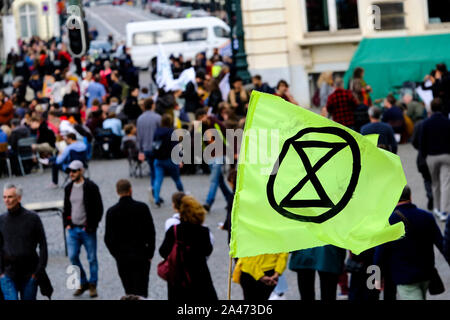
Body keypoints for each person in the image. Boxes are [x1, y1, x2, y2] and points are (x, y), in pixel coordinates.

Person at [374, 185, 449, 300]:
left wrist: (377, 278)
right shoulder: (427, 217)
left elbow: (379, 254)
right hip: (425, 274)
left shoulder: (389, 221)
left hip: (405, 278)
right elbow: (442, 245)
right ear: (410, 197)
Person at [159, 195, 218, 301]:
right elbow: (207, 251)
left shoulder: (174, 230)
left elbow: (162, 252)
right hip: (200, 278)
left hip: (178, 278)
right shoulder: (203, 231)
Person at [104, 179, 155, 298]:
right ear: (130, 190)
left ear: (117, 191)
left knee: (128, 289)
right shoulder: (142, 208)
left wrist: (116, 254)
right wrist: (150, 253)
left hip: (123, 258)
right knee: (142, 290)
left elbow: (108, 239)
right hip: (141, 255)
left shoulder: (112, 212)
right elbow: (151, 233)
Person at [0, 183, 49, 300]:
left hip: (29, 273)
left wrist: (38, 271)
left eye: (10, 197)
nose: (7, 200)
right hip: (8, 274)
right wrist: (1, 273)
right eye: (4, 197)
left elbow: (43, 245)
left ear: (19, 198)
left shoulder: (32, 219)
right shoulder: (1, 220)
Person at [63, 160, 104, 298]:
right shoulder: (68, 188)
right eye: (70, 171)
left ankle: (93, 284)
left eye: (74, 171)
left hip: (87, 230)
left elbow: (99, 208)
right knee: (73, 256)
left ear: (81, 171)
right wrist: (67, 223)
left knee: (92, 258)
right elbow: (66, 207)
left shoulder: (91, 186)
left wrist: (92, 225)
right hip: (73, 229)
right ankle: (83, 282)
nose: (71, 174)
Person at [195, 108, 232, 212]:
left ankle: (208, 203)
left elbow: (226, 133)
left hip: (219, 153)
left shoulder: (215, 122)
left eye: (203, 117)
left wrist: (232, 150)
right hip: (209, 155)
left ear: (206, 115)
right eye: (199, 118)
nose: (202, 119)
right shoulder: (199, 126)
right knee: (219, 181)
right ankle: (231, 199)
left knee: (214, 180)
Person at [419, 98, 450, 221]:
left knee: (435, 183)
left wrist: (424, 156)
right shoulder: (447, 122)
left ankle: (437, 208)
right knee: (446, 183)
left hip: (431, 157)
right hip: (446, 156)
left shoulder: (426, 123)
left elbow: (422, 143)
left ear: (431, 108)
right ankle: (444, 210)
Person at [152, 114, 184, 207]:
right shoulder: (172, 132)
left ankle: (156, 198)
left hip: (158, 159)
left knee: (158, 180)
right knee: (177, 179)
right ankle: (182, 194)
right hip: (170, 159)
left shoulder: (157, 131)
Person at [136, 98, 162, 200]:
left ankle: (153, 189)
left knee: (152, 170)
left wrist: (140, 150)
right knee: (157, 171)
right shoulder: (157, 118)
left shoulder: (140, 119)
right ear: (152, 105)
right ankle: (156, 193)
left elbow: (139, 136)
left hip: (146, 148)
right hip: (156, 148)